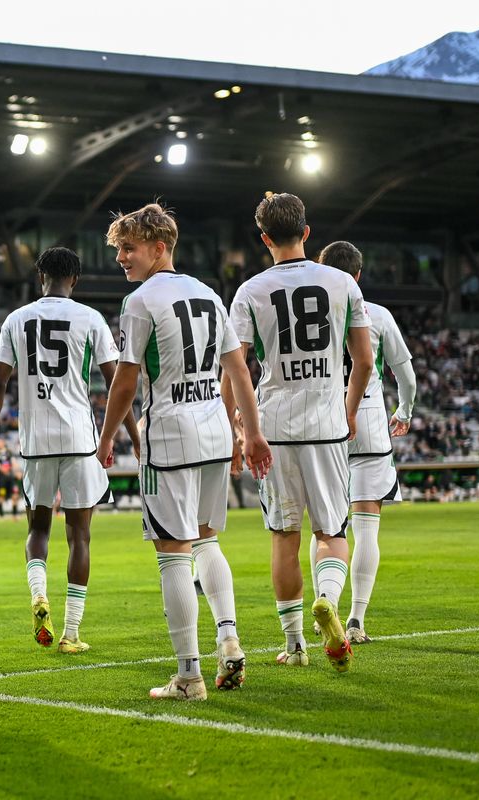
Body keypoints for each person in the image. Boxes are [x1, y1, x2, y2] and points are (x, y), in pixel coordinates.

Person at [96, 203, 272, 701]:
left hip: (170, 435)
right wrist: (249, 433)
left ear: (159, 247)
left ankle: (189, 675)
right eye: (119, 250)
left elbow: (127, 381)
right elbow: (239, 370)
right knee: (207, 541)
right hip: (216, 431)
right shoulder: (209, 295)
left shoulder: (140, 301)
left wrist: (107, 437)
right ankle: (229, 637)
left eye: (128, 249)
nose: (122, 259)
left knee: (172, 553)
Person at [227, 193, 372, 672]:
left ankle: (293, 646)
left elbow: (236, 366)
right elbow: (365, 361)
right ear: (308, 233)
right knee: (331, 531)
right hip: (327, 425)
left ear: (265, 238)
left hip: (275, 427)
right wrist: (350, 410)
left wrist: (238, 426)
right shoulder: (341, 283)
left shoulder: (250, 290)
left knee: (284, 537)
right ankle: (328, 597)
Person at [0, 246, 141, 655]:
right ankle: (70, 633)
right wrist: (135, 438)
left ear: (40, 277)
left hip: (35, 442)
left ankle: (38, 595)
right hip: (79, 442)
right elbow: (116, 383)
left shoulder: (17, 319)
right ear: (76, 280)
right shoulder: (90, 319)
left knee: (37, 531)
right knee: (79, 536)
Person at [312, 241, 417, 644]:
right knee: (367, 529)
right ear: (358, 275)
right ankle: (355, 621)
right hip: (370, 427)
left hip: (322, 424)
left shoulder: (309, 315)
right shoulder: (379, 315)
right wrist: (404, 412)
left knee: (325, 529)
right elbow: (405, 376)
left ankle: (326, 598)